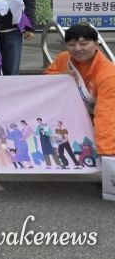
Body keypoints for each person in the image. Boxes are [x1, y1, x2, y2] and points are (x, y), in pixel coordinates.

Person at [43, 24, 115, 161]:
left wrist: (107, 154)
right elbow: (44, 81)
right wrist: (61, 76)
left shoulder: (108, 75)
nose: (77, 49)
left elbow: (107, 115)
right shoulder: (64, 58)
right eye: (71, 44)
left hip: (98, 123)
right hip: (70, 118)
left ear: (96, 45)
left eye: (83, 44)